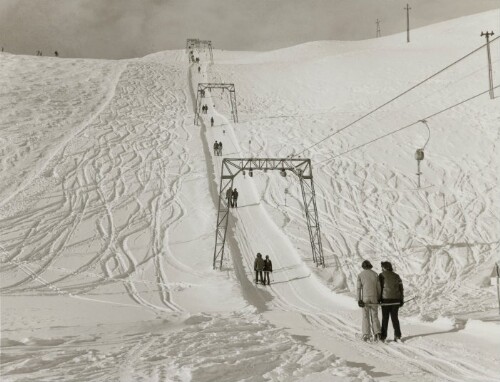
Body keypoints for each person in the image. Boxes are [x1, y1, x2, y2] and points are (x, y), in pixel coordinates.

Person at [357, 260, 381, 342]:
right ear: (370, 266)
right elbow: (378, 287)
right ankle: (377, 333)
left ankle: (366, 334)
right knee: (374, 316)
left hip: (365, 298)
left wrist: (359, 299)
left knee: (365, 316)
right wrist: (379, 297)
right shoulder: (375, 274)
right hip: (374, 298)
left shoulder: (360, 275)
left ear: (363, 267)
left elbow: (358, 288)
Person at [379, 261, 404, 342]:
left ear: (384, 268)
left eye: (382, 267)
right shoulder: (397, 276)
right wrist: (401, 299)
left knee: (385, 319)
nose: (381, 268)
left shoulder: (381, 275)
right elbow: (401, 289)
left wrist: (379, 299)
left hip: (385, 300)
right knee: (395, 318)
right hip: (396, 300)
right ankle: (398, 335)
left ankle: (383, 337)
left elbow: (379, 288)